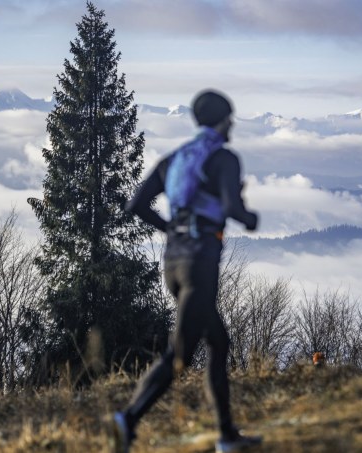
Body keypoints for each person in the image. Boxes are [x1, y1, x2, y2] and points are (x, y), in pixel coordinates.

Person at [112, 89, 262, 453]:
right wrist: (248, 216)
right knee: (179, 355)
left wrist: (171, 229)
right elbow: (230, 207)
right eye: (231, 119)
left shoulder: (175, 159)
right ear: (224, 120)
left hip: (173, 263)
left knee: (219, 342)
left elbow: (135, 206)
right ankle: (128, 419)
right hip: (200, 264)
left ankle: (227, 436)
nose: (232, 126)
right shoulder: (224, 159)